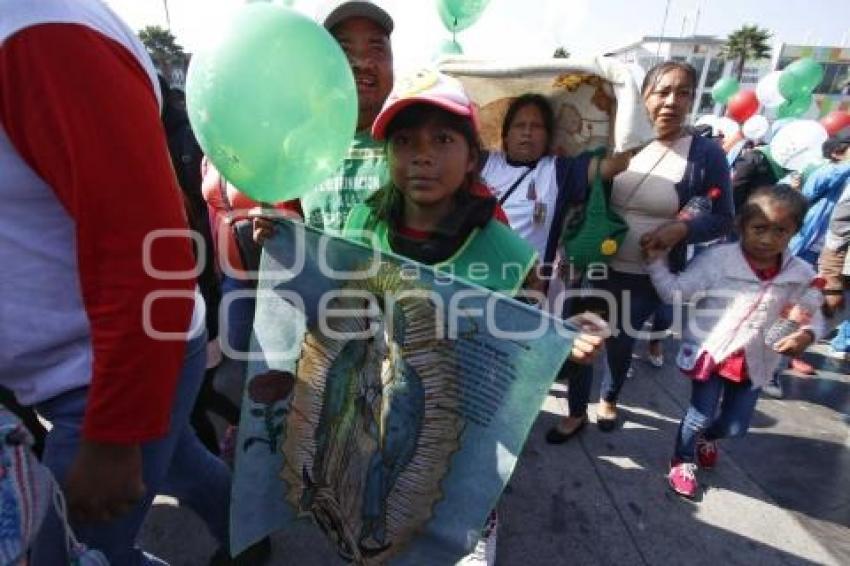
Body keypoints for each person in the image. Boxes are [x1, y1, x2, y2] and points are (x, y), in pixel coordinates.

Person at [343, 69, 607, 566]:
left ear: (471, 158)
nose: (422, 155)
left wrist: (568, 352)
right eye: (404, 140)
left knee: (462, 485)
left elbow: (529, 348)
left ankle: (479, 522)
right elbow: (340, 306)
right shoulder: (363, 223)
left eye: (443, 139)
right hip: (377, 407)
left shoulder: (503, 250)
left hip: (468, 418)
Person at [0, 0, 233, 563]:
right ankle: (249, 529)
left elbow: (146, 249)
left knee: (68, 552)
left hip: (100, 375)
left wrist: (115, 432)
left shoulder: (41, 32)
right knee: (187, 468)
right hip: (91, 371)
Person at [553, 61, 734, 440]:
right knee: (583, 338)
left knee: (621, 343)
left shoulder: (705, 154)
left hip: (647, 276)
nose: (671, 101)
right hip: (597, 265)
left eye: (683, 92)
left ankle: (610, 398)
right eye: (662, 91)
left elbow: (723, 219)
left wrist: (681, 228)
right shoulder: (615, 138)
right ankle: (575, 412)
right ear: (643, 96)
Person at [645, 185, 824, 498]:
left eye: (780, 231)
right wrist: (655, 263)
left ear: (795, 231)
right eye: (759, 228)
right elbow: (676, 292)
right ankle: (682, 459)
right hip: (712, 352)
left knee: (735, 426)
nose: (768, 239)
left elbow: (815, 313)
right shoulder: (718, 260)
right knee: (699, 414)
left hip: (757, 360)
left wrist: (806, 334)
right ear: (741, 225)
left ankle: (707, 438)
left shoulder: (801, 273)